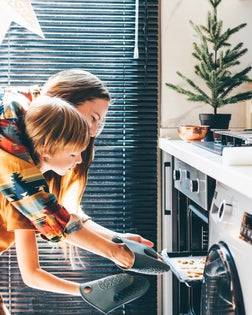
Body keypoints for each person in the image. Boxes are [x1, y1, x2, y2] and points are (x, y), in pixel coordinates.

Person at [0, 95, 150, 314]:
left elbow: (65, 216)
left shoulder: (28, 185)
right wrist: (87, 289)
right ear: (46, 149)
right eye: (73, 153)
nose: (79, 160)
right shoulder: (20, 191)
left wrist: (114, 239)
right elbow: (32, 273)